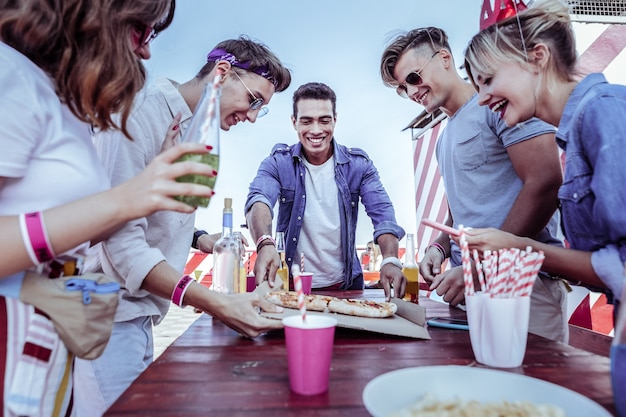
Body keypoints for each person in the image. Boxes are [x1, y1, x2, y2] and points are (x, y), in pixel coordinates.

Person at [0, 0, 231, 415]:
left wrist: (147, 193)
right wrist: (127, 198)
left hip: (44, 364)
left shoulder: (64, 104)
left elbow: (75, 232)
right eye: (142, 29)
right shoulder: (9, 74)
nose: (146, 51)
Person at [74, 36, 292, 415]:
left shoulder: (193, 125)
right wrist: (215, 302)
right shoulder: (142, 111)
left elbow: (147, 216)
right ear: (222, 73)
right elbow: (119, 241)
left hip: (135, 314)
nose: (252, 117)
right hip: (105, 317)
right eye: (253, 100)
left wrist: (201, 239)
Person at [380, 26, 569, 342]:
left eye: (413, 78)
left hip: (521, 283)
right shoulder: (444, 136)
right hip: (470, 289)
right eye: (403, 88)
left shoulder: (499, 101)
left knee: (528, 388)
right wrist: (440, 246)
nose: (412, 92)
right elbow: (463, 207)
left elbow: (546, 182)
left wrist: (480, 269)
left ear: (444, 58)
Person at [462, 0, 625, 304]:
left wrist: (518, 246)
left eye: (488, 80)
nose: (482, 99)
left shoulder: (602, 111)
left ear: (538, 57)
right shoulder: (578, 129)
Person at [245, 82, 406, 301]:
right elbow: (259, 199)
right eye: (306, 121)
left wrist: (389, 260)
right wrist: (264, 242)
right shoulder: (277, 163)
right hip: (290, 289)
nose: (316, 130)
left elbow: (383, 214)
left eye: (324, 120)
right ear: (294, 122)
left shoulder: (359, 165)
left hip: (347, 289)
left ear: (335, 120)